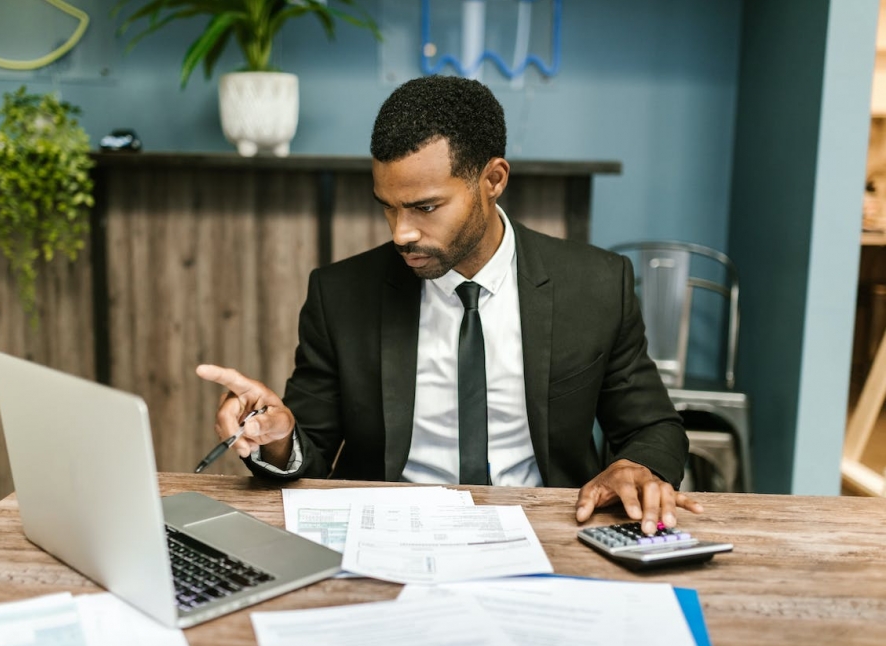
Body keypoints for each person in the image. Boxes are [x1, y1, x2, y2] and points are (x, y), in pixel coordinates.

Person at [196, 75, 702, 535]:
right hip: (390, 533)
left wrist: (640, 467)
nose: (402, 232)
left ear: (493, 180)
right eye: (388, 208)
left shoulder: (594, 284)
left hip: (549, 527)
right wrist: (277, 437)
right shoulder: (341, 294)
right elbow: (311, 448)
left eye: (425, 207)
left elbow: (651, 425)